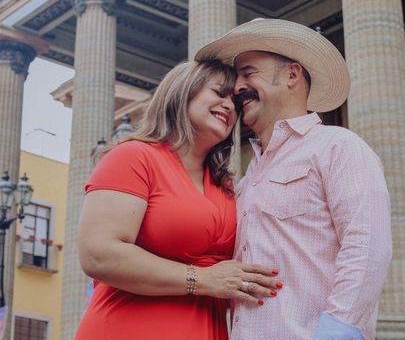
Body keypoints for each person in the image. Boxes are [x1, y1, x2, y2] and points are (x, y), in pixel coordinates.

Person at [196, 19, 393, 340]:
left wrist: (335, 334)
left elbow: (368, 246)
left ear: (292, 75)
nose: (237, 87)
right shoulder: (247, 182)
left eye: (249, 72)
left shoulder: (339, 146)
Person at [76, 59, 281, 340]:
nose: (230, 106)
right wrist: (204, 279)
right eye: (219, 93)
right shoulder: (134, 156)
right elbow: (98, 255)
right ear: (183, 91)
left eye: (234, 100)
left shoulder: (225, 185)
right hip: (129, 328)